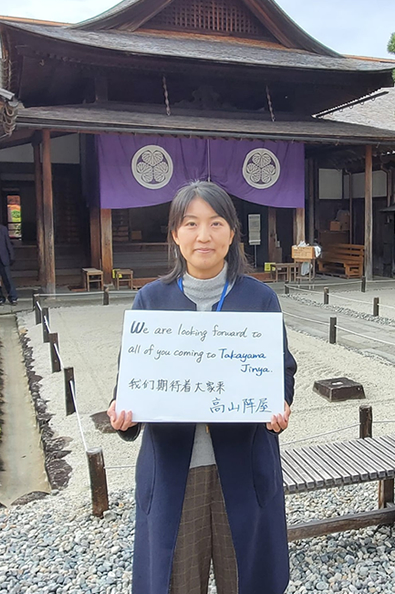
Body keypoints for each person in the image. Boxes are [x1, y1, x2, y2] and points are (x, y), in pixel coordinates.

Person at [107, 181, 297, 594]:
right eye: (190, 223)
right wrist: (122, 415)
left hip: (243, 468)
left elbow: (282, 369)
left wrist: (280, 405)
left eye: (215, 223)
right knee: (177, 582)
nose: (204, 235)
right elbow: (130, 380)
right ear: (175, 234)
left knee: (245, 579)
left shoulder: (260, 299)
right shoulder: (151, 302)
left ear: (232, 232)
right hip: (176, 469)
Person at [0, 222, 18, 305]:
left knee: (7, 278)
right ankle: (0, 298)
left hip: (3, 257)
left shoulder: (3, 229)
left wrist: (12, 256)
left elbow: (8, 243)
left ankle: (13, 297)